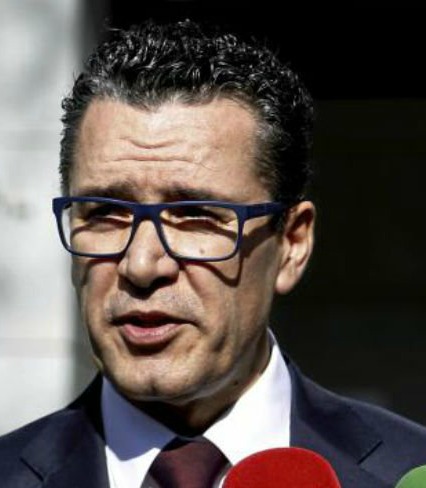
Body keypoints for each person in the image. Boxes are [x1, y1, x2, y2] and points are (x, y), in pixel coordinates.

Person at [1, 18, 426, 488]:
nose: (141, 265)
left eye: (196, 216)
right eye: (105, 212)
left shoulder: (406, 472)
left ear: (292, 244)